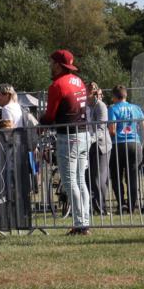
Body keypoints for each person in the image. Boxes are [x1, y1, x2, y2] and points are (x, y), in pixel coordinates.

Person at [41, 49, 90, 235]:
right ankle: (85, 221)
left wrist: (41, 122)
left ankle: (80, 225)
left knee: (70, 182)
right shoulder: (79, 82)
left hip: (68, 136)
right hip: (84, 134)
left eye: (51, 62)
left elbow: (51, 115)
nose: (50, 65)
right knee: (80, 180)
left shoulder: (56, 86)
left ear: (58, 65)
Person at [108, 85, 144, 214]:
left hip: (118, 144)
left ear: (114, 97)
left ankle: (121, 204)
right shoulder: (136, 108)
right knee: (133, 176)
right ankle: (131, 206)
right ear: (126, 95)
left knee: (116, 176)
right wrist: (141, 141)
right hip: (134, 143)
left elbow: (112, 130)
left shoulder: (113, 108)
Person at [85, 83, 111, 215]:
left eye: (88, 92)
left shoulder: (101, 106)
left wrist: (90, 139)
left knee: (98, 177)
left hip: (101, 145)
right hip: (87, 144)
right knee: (88, 176)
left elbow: (101, 128)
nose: (85, 94)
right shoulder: (85, 106)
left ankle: (101, 208)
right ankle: (92, 206)